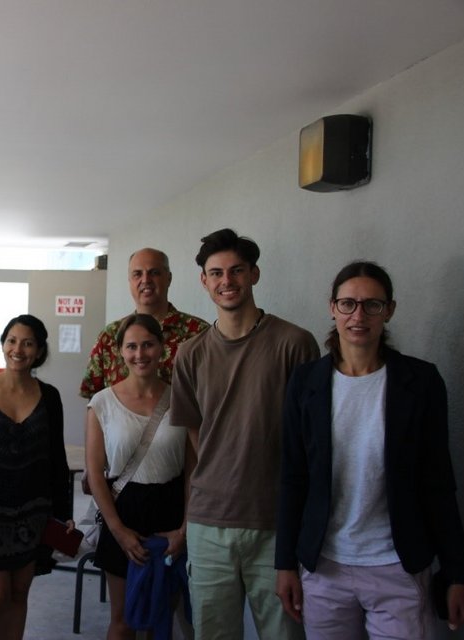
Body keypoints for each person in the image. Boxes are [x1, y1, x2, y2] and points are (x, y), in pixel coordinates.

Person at [275, 261, 464, 638]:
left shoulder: (421, 381)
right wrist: (285, 563)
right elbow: (293, 477)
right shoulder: (306, 382)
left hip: (398, 566)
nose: (359, 315)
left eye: (372, 304)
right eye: (348, 304)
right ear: (332, 308)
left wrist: (458, 573)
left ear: (390, 310)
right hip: (325, 567)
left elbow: (438, 482)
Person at [170, 228, 319, 640]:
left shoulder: (295, 344)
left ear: (254, 274)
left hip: (276, 520)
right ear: (204, 281)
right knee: (214, 634)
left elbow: (310, 437)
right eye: (215, 273)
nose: (226, 281)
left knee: (283, 633)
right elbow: (198, 436)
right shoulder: (190, 354)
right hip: (208, 522)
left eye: (236, 271)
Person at [0, 314, 74, 640]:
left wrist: (63, 516)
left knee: (20, 595)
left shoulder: (49, 397)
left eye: (27, 342)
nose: (18, 349)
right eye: (11, 340)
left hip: (34, 515)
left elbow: (57, 461)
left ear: (38, 351)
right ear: (3, 344)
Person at [86, 314, 192, 640]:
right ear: (120, 351)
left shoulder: (182, 399)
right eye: (131, 346)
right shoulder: (102, 403)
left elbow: (193, 470)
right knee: (124, 619)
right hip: (123, 512)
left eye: (148, 344)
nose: (140, 353)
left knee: (161, 618)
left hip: (170, 514)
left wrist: (184, 530)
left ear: (162, 348)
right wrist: (118, 531)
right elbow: (95, 473)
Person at [80, 248, 208, 399]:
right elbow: (94, 400)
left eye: (154, 273)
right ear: (130, 281)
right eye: (137, 274)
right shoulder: (110, 336)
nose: (146, 280)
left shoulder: (199, 334)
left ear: (169, 278)